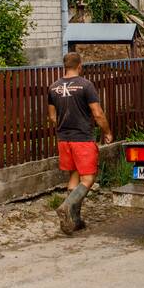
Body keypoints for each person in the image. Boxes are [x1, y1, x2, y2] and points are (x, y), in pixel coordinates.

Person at [47, 52, 113, 234]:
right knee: (89, 178)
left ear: (64, 66)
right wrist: (107, 132)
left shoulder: (53, 87)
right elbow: (97, 113)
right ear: (80, 66)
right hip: (82, 139)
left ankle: (73, 221)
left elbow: (52, 117)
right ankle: (67, 206)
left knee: (74, 176)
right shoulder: (86, 85)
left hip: (63, 139)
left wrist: (63, 127)